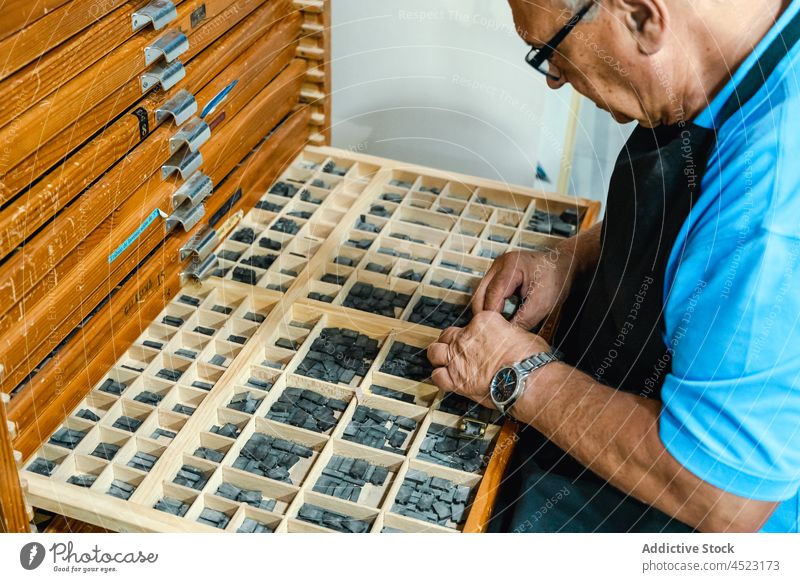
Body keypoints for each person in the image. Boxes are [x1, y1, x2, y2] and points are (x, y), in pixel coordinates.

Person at [426, 0, 800, 532]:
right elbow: (705, 222)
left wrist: (517, 375)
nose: (555, 79)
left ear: (645, 19)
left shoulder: (774, 205)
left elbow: (723, 495)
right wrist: (573, 256)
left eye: (552, 51)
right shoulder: (745, 52)